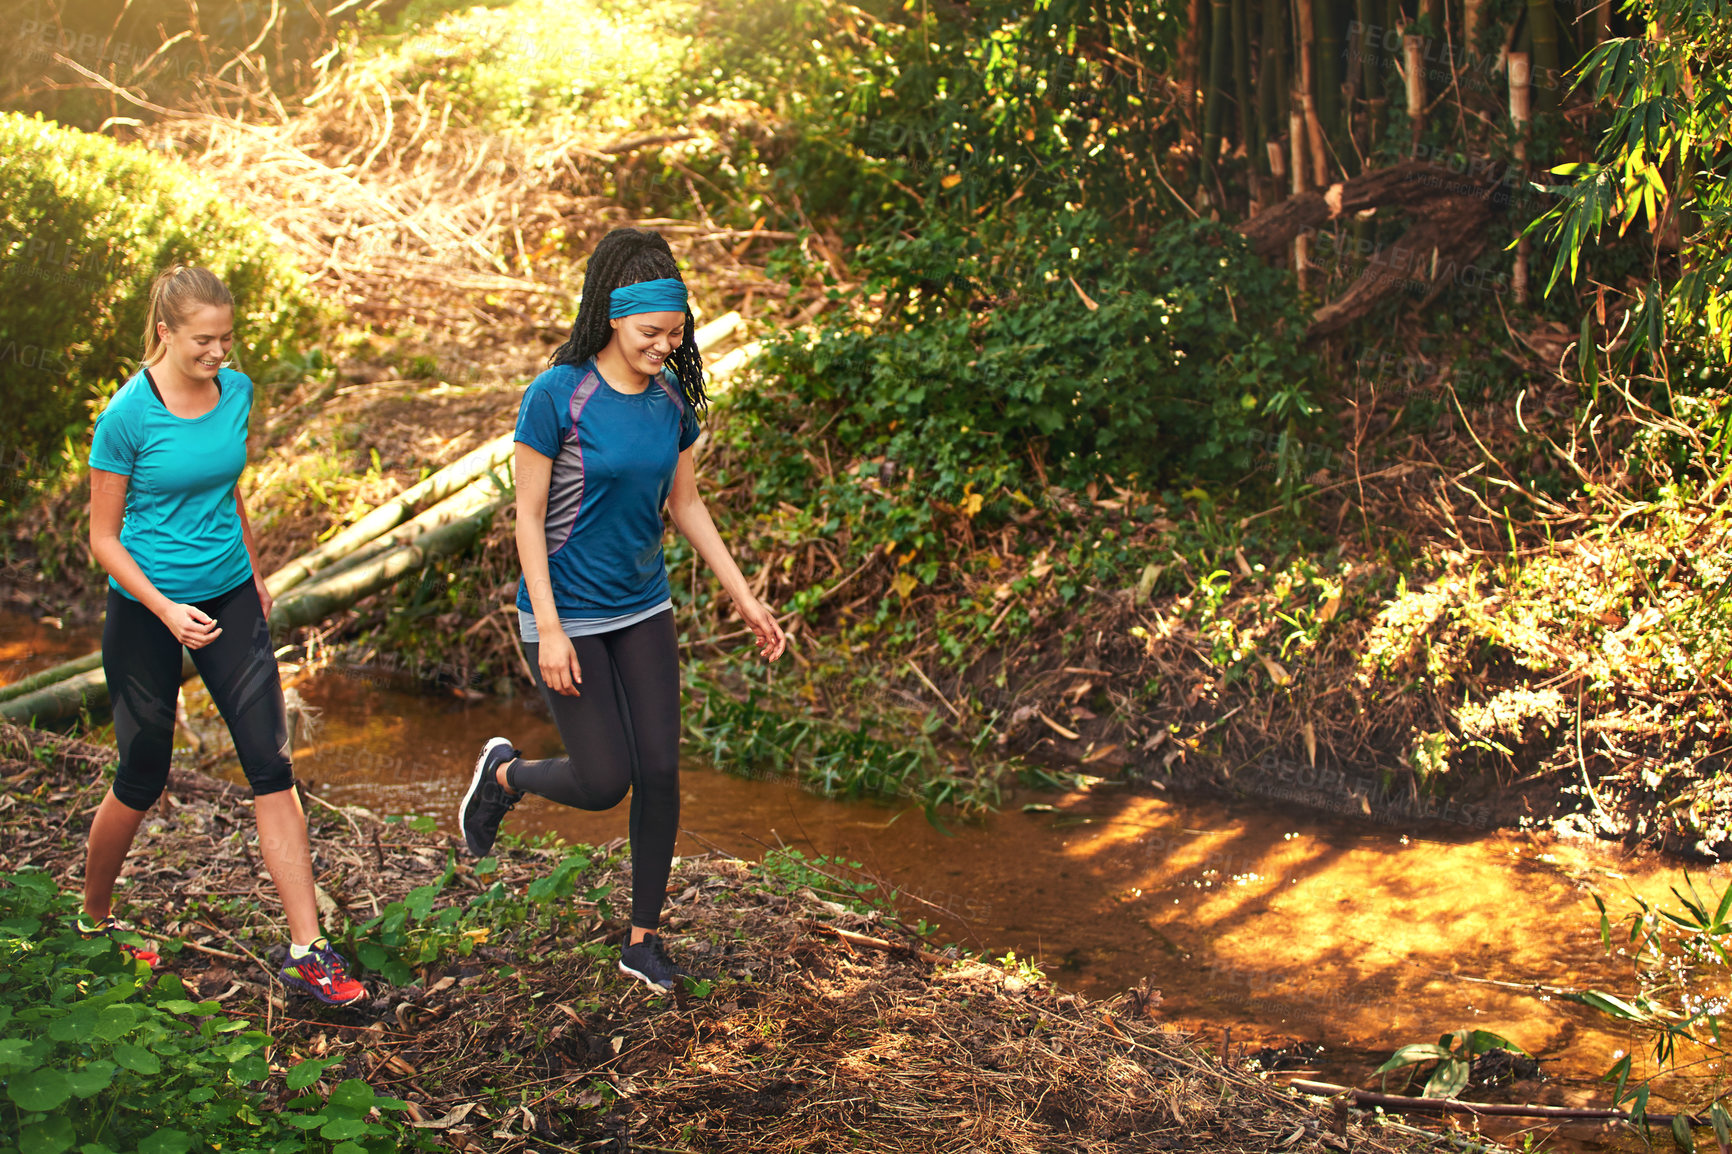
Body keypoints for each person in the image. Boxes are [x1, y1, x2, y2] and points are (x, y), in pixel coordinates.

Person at [460, 227, 786, 991]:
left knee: (662, 770)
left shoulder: (671, 399)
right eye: (651, 334)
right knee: (606, 779)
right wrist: (545, 626)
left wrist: (744, 595)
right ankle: (505, 776)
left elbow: (688, 504)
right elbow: (528, 519)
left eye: (676, 334)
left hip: (642, 606)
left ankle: (643, 940)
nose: (665, 347)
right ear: (612, 318)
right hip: (566, 611)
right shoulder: (557, 397)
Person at [83, 265, 365, 1006]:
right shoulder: (127, 416)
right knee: (143, 774)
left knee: (271, 765)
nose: (217, 353)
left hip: (230, 595)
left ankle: (309, 949)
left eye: (226, 338)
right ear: (166, 332)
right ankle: (92, 919)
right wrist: (167, 608)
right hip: (147, 607)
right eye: (203, 340)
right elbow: (104, 540)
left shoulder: (235, 391)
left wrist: (256, 569)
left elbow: (224, 482)